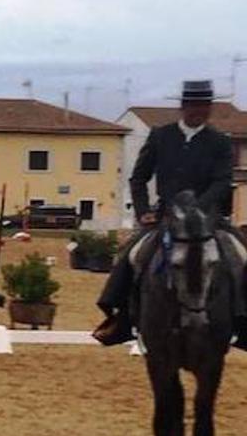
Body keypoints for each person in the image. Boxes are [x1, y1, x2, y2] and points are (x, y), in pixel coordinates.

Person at [94, 79, 245, 347]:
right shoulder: (160, 136)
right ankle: (120, 317)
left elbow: (222, 181)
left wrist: (197, 208)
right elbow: (138, 178)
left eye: (204, 105)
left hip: (208, 218)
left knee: (240, 255)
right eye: (194, 105)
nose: (199, 110)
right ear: (183, 106)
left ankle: (242, 322)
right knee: (130, 254)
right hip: (166, 216)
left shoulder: (220, 142)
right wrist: (143, 211)